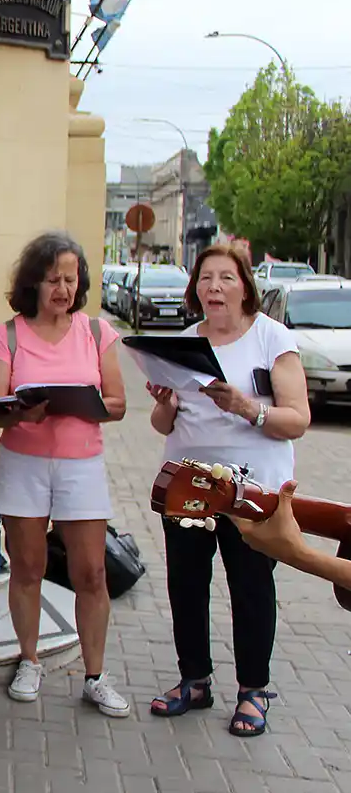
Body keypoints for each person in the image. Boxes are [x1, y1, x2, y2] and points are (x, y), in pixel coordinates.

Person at [145, 242, 309, 737]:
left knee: (252, 586)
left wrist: (245, 407)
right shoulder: (184, 341)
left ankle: (253, 691)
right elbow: (160, 423)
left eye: (226, 278)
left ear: (245, 288)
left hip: (252, 491)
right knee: (187, 584)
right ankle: (194, 679)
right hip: (188, 484)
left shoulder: (270, 338)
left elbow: (297, 419)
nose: (214, 287)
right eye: (206, 279)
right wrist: (166, 402)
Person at [0, 232, 129, 717]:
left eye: (71, 279)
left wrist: (86, 407)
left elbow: (118, 403)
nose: (63, 289)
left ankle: (96, 675)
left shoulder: (96, 332)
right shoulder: (6, 336)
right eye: (52, 280)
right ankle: (29, 659)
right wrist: (24, 414)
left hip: (80, 464)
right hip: (24, 462)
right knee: (27, 567)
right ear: (33, 284)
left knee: (90, 571)